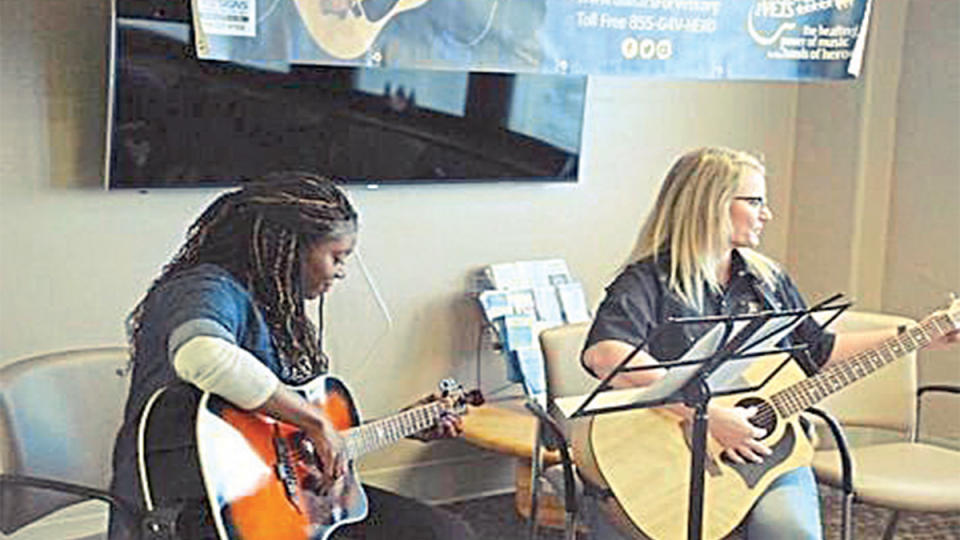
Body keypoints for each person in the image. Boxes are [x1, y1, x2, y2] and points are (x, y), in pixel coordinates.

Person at [580, 147, 959, 539]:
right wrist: (704, 413)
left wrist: (916, 337)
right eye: (755, 201)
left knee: (790, 532)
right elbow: (608, 355)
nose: (767, 214)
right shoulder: (648, 280)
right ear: (710, 204)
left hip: (769, 458)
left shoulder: (768, 279)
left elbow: (817, 351)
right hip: (665, 460)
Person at [108, 172, 474, 539]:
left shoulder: (268, 300)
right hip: (194, 509)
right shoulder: (205, 288)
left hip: (275, 505)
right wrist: (317, 424)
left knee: (445, 533)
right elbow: (203, 356)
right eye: (337, 256)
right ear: (289, 246)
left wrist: (401, 424)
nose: (341, 272)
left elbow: (275, 436)